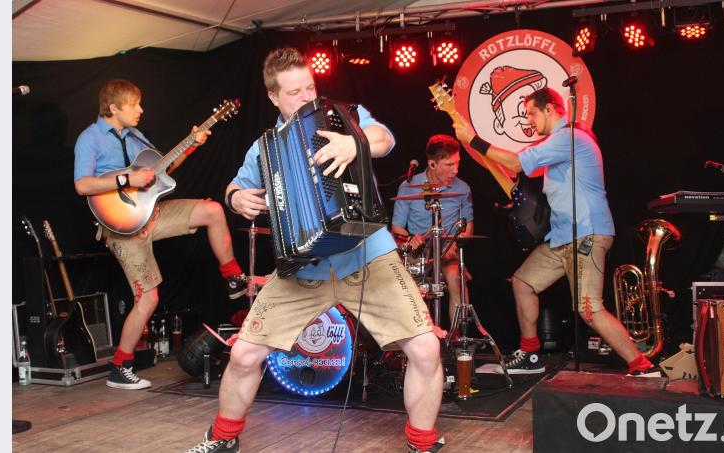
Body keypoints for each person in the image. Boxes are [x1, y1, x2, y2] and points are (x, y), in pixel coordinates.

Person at [185, 48, 445, 453]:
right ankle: (221, 439)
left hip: (368, 256)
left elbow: (385, 139)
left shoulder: (344, 116)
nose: (306, 97)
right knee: (245, 355)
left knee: (426, 348)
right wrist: (236, 199)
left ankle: (423, 444)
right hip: (303, 268)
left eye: (310, 86)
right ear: (273, 97)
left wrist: (353, 143)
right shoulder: (264, 149)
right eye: (294, 92)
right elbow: (234, 186)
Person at [452, 87, 657, 376]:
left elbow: (515, 162)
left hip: (585, 234)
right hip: (562, 237)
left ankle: (643, 366)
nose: (528, 120)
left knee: (589, 309)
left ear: (550, 109)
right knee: (523, 283)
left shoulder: (568, 137)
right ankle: (531, 355)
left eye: (531, 113)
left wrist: (472, 139)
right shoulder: (558, 142)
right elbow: (515, 169)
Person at [73, 79, 248, 390]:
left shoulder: (136, 136)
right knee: (147, 298)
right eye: (134, 104)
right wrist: (128, 178)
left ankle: (232, 276)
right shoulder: (90, 139)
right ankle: (120, 367)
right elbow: (83, 185)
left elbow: (161, 169)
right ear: (114, 108)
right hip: (121, 227)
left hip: (151, 213)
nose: (141, 110)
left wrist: (193, 143)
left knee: (213, 211)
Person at [391, 134, 474, 329]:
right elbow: (396, 228)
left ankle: (456, 337)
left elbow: (468, 226)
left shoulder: (463, 188)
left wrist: (457, 242)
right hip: (418, 252)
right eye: (449, 165)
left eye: (457, 163)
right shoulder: (409, 186)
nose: (456, 170)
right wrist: (410, 239)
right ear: (432, 164)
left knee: (456, 277)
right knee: (408, 283)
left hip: (448, 249)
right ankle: (419, 336)